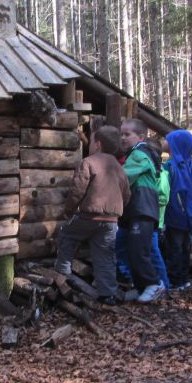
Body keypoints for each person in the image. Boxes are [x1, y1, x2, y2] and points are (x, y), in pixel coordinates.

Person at [54, 125, 131, 305]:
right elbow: (127, 194)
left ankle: (62, 272)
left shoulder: (88, 162)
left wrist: (69, 210)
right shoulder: (120, 168)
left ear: (97, 144)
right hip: (111, 220)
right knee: (105, 255)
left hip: (89, 216)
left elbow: (77, 190)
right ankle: (108, 294)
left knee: (67, 234)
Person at [118, 118, 166, 303]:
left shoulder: (140, 153)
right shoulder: (134, 153)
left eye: (127, 134)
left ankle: (154, 283)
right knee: (126, 247)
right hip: (134, 211)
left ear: (141, 137)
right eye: (121, 134)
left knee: (139, 250)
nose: (123, 138)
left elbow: (123, 177)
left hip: (142, 210)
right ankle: (141, 287)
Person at [162, 130, 192, 292]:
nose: (164, 141)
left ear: (175, 145)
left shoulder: (171, 166)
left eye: (167, 140)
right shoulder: (189, 165)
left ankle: (176, 281)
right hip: (187, 216)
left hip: (174, 216)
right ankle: (183, 278)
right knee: (183, 248)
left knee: (174, 248)